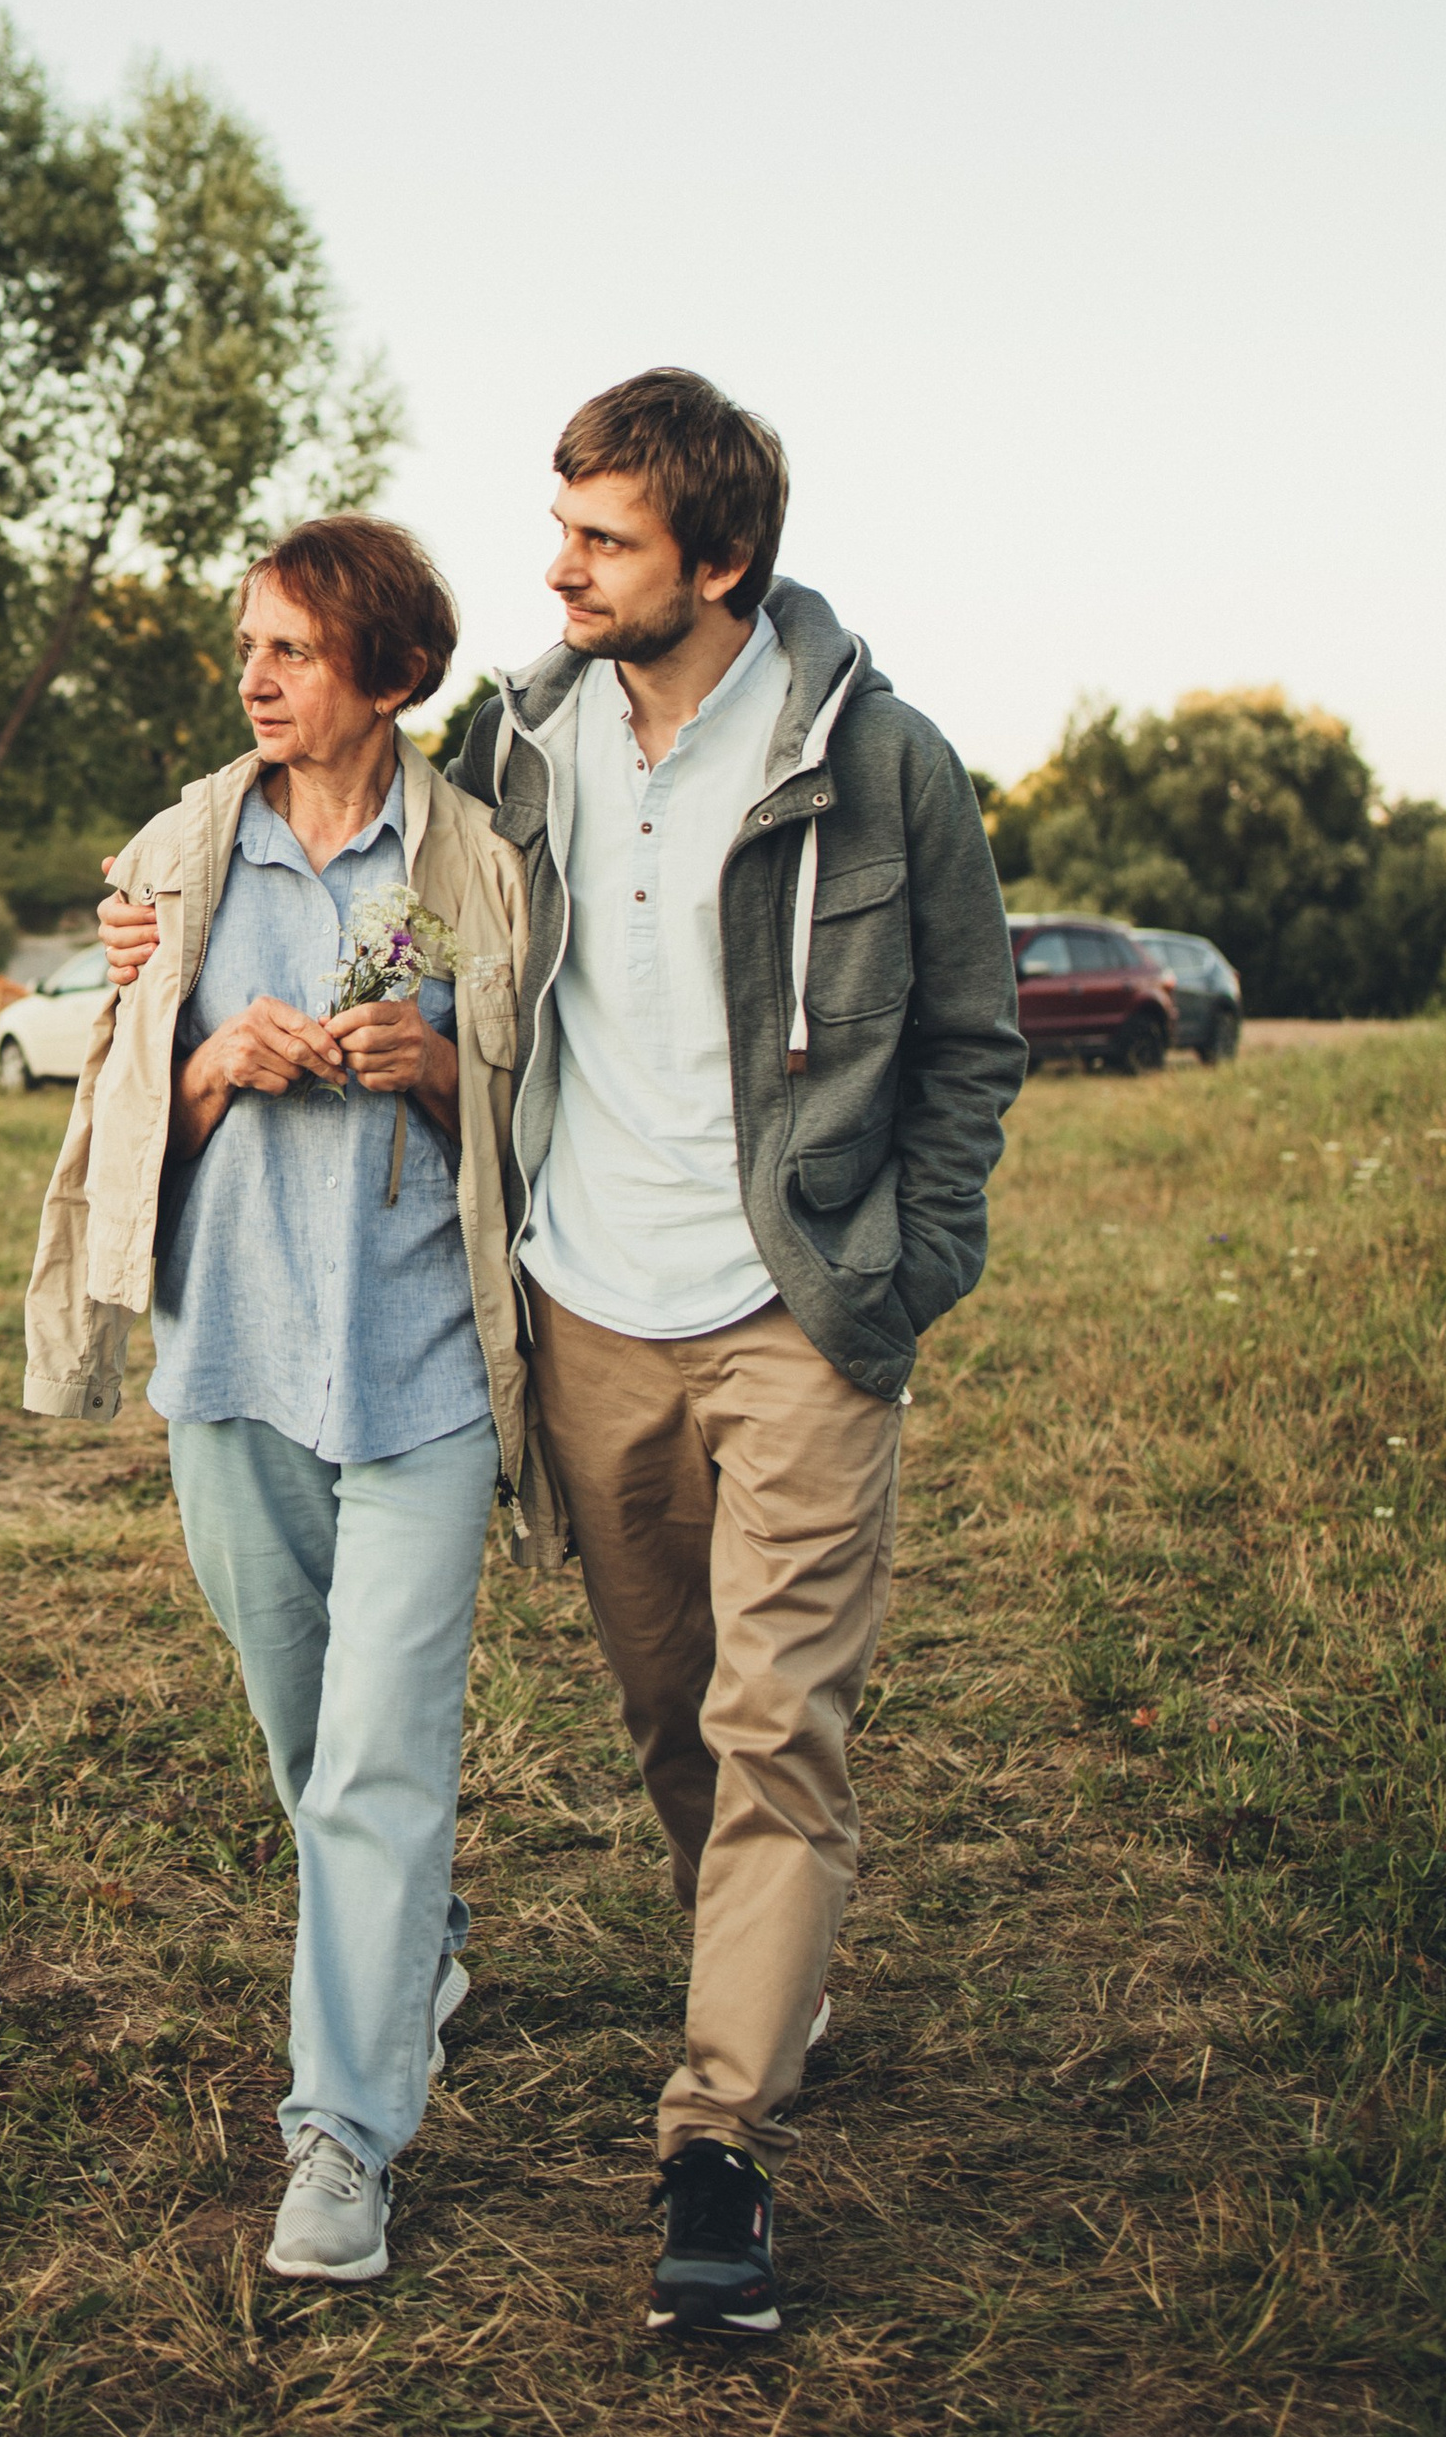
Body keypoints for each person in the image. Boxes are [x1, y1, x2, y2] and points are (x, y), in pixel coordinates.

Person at [98, 373, 1024, 2338]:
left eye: (599, 541)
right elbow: (343, 869)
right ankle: (759, 1967)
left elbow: (968, 1036)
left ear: (719, 560)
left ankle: (714, 2146)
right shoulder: (526, 750)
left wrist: (898, 1271)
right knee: (678, 1723)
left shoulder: (879, 765)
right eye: (561, 527)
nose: (559, 567)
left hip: (793, 1318)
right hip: (583, 1319)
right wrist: (158, 951)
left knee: (781, 1732)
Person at [23, 515, 546, 2284]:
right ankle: (418, 1949)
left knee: (379, 1763)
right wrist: (208, 1064)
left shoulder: (474, 862)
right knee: (307, 1743)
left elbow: (542, 1116)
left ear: (391, 677)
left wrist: (434, 1081)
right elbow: (117, 1129)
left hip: (419, 1376)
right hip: (232, 1362)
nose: (254, 678)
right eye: (248, 646)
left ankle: (341, 2141)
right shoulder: (179, 856)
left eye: (294, 651)